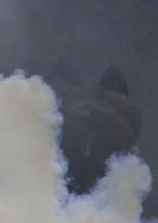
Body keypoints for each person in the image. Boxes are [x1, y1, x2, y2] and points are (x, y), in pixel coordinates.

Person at [60, 65, 141, 194]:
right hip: (118, 174)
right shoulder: (133, 115)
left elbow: (72, 115)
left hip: (92, 169)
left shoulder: (99, 108)